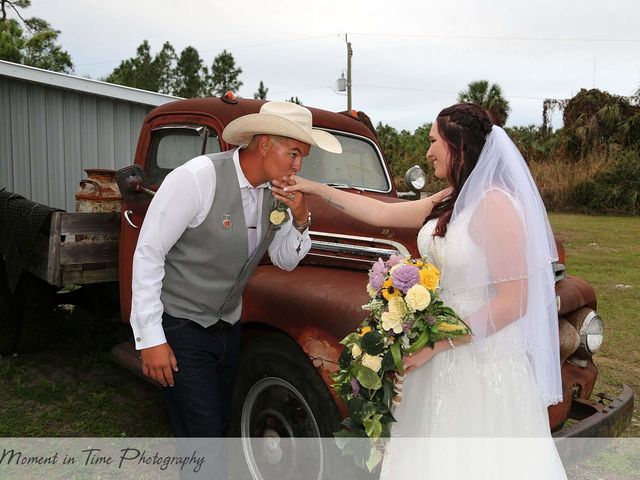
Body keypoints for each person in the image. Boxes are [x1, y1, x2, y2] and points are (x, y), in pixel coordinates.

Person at [275, 103, 567, 479]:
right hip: (435, 351)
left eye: (433, 142)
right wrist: (315, 189)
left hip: (479, 360)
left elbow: (515, 301)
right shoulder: (449, 199)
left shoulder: (495, 205)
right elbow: (380, 214)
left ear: (457, 146)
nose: (427, 152)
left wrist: (438, 344)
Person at [129, 101, 342, 440]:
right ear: (264, 144)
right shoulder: (198, 177)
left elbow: (285, 259)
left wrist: (302, 219)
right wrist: (150, 338)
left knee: (222, 425)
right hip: (183, 324)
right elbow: (149, 253)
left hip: (228, 327)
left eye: (303, 157)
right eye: (293, 153)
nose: (299, 165)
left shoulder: (276, 194)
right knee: (203, 431)